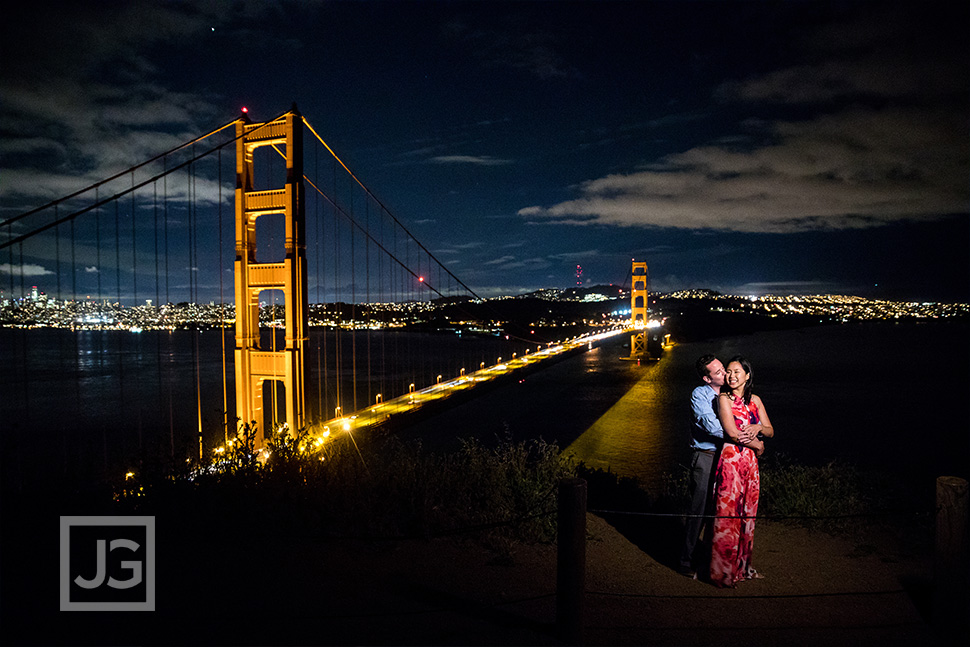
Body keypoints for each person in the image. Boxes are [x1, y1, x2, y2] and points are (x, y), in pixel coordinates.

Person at [678, 354, 757, 577]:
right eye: (719, 372)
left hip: (728, 458)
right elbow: (713, 427)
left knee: (721, 511)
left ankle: (712, 560)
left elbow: (750, 419)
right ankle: (686, 560)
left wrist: (751, 430)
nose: (725, 373)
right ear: (706, 378)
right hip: (706, 456)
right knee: (699, 510)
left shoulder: (730, 396)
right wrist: (745, 437)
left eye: (724, 368)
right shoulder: (699, 394)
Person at [709, 355, 773, 588]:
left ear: (747, 375)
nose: (732, 375)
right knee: (727, 517)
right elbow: (731, 432)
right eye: (728, 371)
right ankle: (723, 574)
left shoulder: (755, 399)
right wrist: (756, 443)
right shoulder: (723, 398)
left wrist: (758, 427)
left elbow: (770, 430)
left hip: (750, 465)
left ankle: (743, 569)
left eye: (737, 371)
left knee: (748, 516)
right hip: (731, 460)